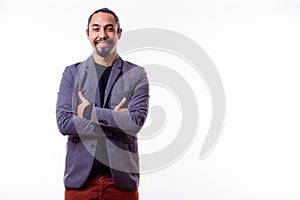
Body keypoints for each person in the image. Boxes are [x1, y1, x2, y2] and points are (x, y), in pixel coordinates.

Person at [56, 8, 149, 200]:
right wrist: (116, 119)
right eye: (96, 29)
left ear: (118, 33)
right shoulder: (72, 74)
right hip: (80, 182)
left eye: (109, 29)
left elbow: (135, 122)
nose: (102, 35)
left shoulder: (137, 75)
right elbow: (64, 123)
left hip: (121, 183)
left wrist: (89, 112)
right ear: (88, 33)